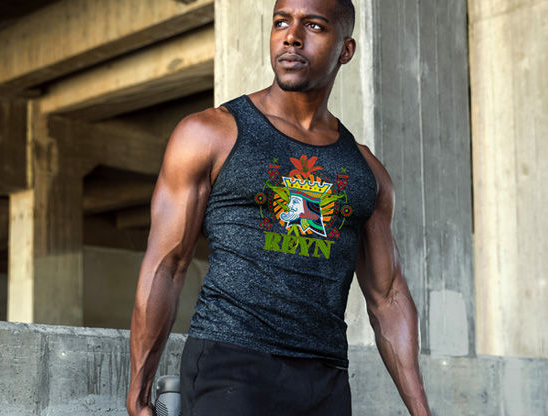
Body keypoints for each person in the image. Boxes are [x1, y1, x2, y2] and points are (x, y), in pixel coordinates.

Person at [126, 0, 431, 414]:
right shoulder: (209, 134)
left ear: (346, 50)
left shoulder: (366, 172)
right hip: (230, 366)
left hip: (325, 379)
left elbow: (388, 296)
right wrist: (139, 392)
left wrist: (421, 410)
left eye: (314, 26)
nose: (291, 37)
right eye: (281, 22)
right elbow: (167, 264)